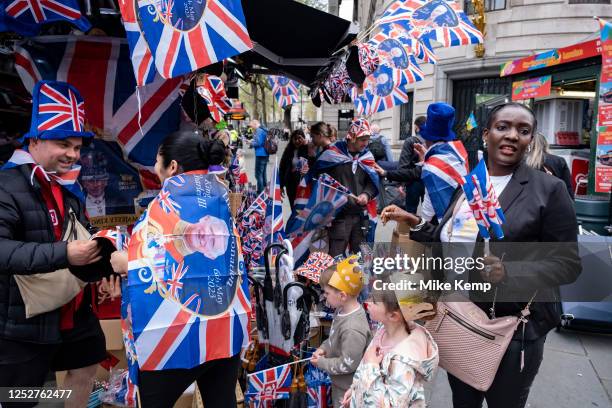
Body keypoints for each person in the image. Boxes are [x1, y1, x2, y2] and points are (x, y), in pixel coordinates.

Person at [381, 102, 581, 408]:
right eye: (503, 127)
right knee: (463, 402)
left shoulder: (548, 190)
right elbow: (452, 238)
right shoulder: (471, 184)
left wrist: (509, 272)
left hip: (510, 332)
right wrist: (417, 223)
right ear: (486, 134)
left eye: (523, 130)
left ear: (531, 139)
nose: (512, 135)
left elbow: (567, 265)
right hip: (458, 321)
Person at [109, 133, 247, 408]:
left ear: (172, 166)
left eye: (156, 160)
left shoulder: (164, 205)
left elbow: (145, 261)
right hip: (223, 329)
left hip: (170, 339)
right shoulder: (219, 198)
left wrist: (122, 260)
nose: (154, 166)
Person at [0, 81, 111, 408]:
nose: (74, 155)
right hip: (22, 322)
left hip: (75, 313)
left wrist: (100, 270)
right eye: (64, 144)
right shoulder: (6, 184)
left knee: (88, 363)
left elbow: (81, 237)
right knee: (20, 398)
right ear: (34, 140)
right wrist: (67, 254)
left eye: (77, 147)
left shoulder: (67, 187)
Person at [343, 273, 438, 408]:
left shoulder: (402, 361)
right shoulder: (384, 329)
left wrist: (371, 366)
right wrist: (356, 390)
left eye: (374, 301)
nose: (367, 302)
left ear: (393, 316)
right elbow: (364, 376)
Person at [311, 257, 372, 408]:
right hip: (339, 382)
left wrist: (321, 363)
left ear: (342, 295)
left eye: (326, 293)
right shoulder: (341, 310)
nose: (324, 297)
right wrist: (323, 348)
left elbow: (347, 364)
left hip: (348, 389)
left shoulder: (352, 329)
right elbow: (333, 337)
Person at [312, 118, 378, 256]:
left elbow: (372, 182)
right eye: (362, 139)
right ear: (352, 137)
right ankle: (334, 277)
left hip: (360, 215)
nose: (366, 143)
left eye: (368, 139)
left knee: (361, 256)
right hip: (338, 216)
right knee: (336, 254)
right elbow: (318, 179)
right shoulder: (332, 154)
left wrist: (366, 194)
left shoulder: (367, 156)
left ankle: (361, 278)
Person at [526, 132, 573, 198]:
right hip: (554, 201)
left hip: (531, 201)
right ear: (545, 144)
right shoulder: (559, 161)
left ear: (529, 144)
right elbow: (568, 187)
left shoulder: (523, 161)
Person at [396, 116, 427, 212]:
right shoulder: (432, 141)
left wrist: (401, 183)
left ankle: (411, 227)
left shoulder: (410, 141)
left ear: (416, 127)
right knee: (429, 214)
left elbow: (403, 163)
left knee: (410, 213)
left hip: (413, 180)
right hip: (428, 180)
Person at [279, 129, 310, 209]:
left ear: (303, 138)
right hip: (291, 184)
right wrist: (281, 186)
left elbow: (314, 158)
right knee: (293, 207)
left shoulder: (308, 149)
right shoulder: (288, 150)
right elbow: (282, 168)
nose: (297, 141)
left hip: (304, 184)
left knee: (302, 208)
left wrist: (307, 144)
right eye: (295, 139)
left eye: (299, 138)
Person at [248, 119, 269, 193]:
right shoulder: (263, 130)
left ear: (255, 124)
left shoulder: (259, 130)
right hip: (265, 154)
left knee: (258, 174)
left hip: (260, 154)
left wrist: (250, 143)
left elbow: (258, 143)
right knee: (263, 173)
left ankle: (260, 191)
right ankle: (265, 189)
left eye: (252, 126)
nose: (251, 128)